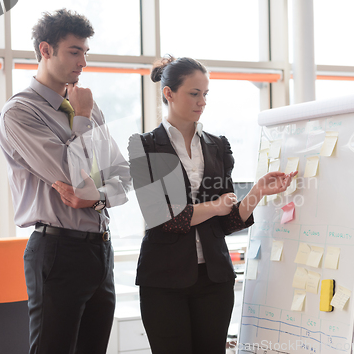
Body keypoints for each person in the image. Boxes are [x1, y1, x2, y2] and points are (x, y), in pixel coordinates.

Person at [128, 55, 297, 354]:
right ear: (169, 93)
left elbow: (228, 221)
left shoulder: (218, 146)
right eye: (194, 93)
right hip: (164, 281)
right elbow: (163, 218)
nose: (202, 101)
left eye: (205, 94)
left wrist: (258, 190)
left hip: (215, 279)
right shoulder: (144, 146)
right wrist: (215, 207)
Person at [0, 9, 131, 354]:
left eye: (86, 52)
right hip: (57, 251)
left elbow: (124, 173)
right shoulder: (20, 113)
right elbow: (70, 174)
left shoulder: (87, 104)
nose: (83, 61)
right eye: (74, 51)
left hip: (100, 248)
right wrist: (82, 119)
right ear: (45, 50)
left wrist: (97, 198)